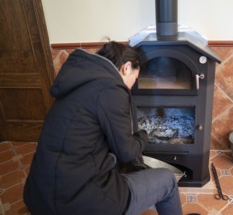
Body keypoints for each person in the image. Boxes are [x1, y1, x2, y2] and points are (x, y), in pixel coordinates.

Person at [23, 41, 183, 215]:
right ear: (126, 68)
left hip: (40, 196)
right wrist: (143, 136)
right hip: (77, 201)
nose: (130, 87)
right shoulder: (111, 89)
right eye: (134, 80)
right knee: (167, 180)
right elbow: (127, 152)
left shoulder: (80, 81)